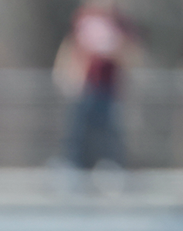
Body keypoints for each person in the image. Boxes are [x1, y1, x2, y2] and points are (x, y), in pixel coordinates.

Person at [53, 0, 137, 177]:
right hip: (85, 86)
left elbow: (129, 52)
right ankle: (72, 165)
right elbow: (71, 46)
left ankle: (109, 165)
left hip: (109, 87)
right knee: (78, 128)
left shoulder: (119, 21)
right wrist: (64, 72)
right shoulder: (84, 17)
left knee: (108, 129)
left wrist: (113, 49)